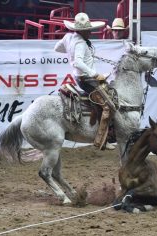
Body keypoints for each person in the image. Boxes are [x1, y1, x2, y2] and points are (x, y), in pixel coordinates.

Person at [54, 12, 115, 150]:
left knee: (105, 99)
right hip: (86, 78)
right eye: (88, 30)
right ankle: (102, 140)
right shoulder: (80, 43)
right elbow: (78, 62)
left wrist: (70, 49)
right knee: (107, 105)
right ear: (82, 31)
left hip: (81, 77)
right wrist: (95, 73)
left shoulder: (69, 37)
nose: (90, 32)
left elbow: (57, 48)